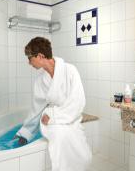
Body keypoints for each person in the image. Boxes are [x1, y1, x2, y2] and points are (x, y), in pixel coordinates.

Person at [14, 37, 92, 171]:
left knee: (85, 158)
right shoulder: (40, 81)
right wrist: (25, 132)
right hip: (50, 122)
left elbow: (78, 102)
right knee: (59, 136)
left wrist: (55, 116)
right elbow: (36, 110)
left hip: (68, 118)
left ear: (39, 56)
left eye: (29, 58)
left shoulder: (70, 70)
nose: (29, 62)